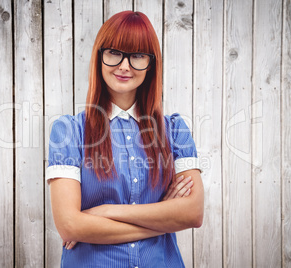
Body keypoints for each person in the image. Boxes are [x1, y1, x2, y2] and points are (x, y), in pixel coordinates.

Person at [47, 10, 204, 268]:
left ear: (151, 63)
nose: (124, 66)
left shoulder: (174, 130)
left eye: (137, 56)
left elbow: (193, 213)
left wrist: (104, 213)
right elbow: (70, 225)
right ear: (99, 57)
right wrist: (163, 219)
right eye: (114, 53)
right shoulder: (68, 131)